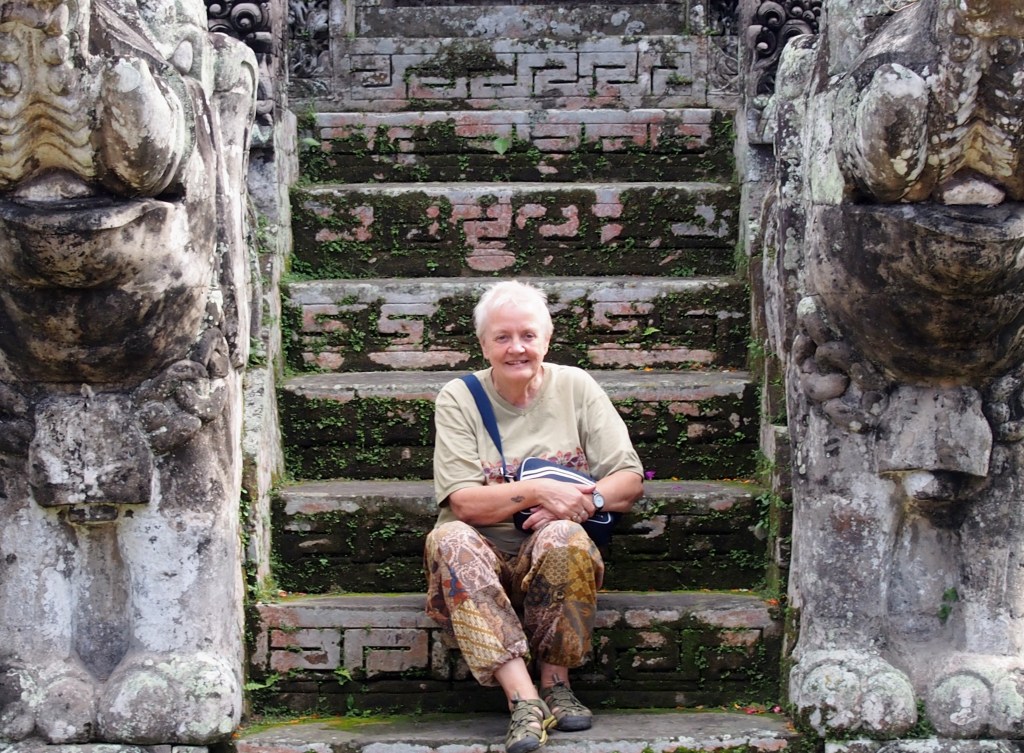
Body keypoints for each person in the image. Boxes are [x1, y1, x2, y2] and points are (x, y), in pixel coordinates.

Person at [424, 279, 645, 753]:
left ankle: (555, 683)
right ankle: (523, 699)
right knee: (450, 538)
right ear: (483, 344)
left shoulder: (575, 387)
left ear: (547, 338)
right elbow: (464, 502)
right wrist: (541, 489)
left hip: (549, 555)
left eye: (527, 335)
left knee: (564, 532)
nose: (516, 348)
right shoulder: (459, 397)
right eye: (502, 337)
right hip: (479, 557)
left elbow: (628, 480)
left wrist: (585, 502)